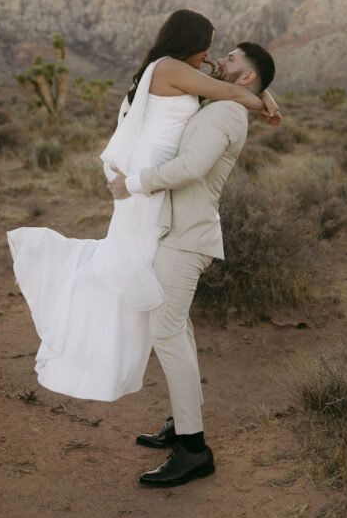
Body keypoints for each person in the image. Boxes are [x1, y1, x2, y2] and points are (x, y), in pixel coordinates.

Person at [7, 11, 279, 402]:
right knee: (134, 276)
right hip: (150, 185)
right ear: (193, 40)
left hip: (156, 185)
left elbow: (236, 89)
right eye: (211, 42)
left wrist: (264, 94)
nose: (214, 54)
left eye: (228, 55)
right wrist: (265, 99)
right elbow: (237, 92)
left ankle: (183, 419)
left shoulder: (179, 74)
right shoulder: (169, 68)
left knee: (140, 279)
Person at [108, 42, 276, 487]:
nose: (222, 59)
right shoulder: (223, 101)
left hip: (187, 238)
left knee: (166, 332)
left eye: (234, 60)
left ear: (245, 77)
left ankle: (194, 450)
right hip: (178, 232)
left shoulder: (225, 113)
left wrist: (135, 184)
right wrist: (263, 99)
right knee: (176, 329)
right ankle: (183, 423)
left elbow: (193, 166)